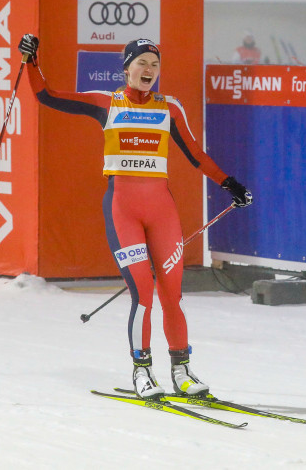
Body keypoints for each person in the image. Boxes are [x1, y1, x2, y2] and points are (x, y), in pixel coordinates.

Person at [18, 34, 252, 399]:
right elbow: (47, 95)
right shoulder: (106, 103)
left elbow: (195, 155)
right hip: (123, 210)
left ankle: (182, 370)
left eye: (155, 64)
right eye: (141, 63)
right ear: (126, 68)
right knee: (143, 292)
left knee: (172, 294)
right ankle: (142, 371)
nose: (149, 70)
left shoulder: (169, 108)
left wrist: (230, 184)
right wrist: (30, 61)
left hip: (162, 211)